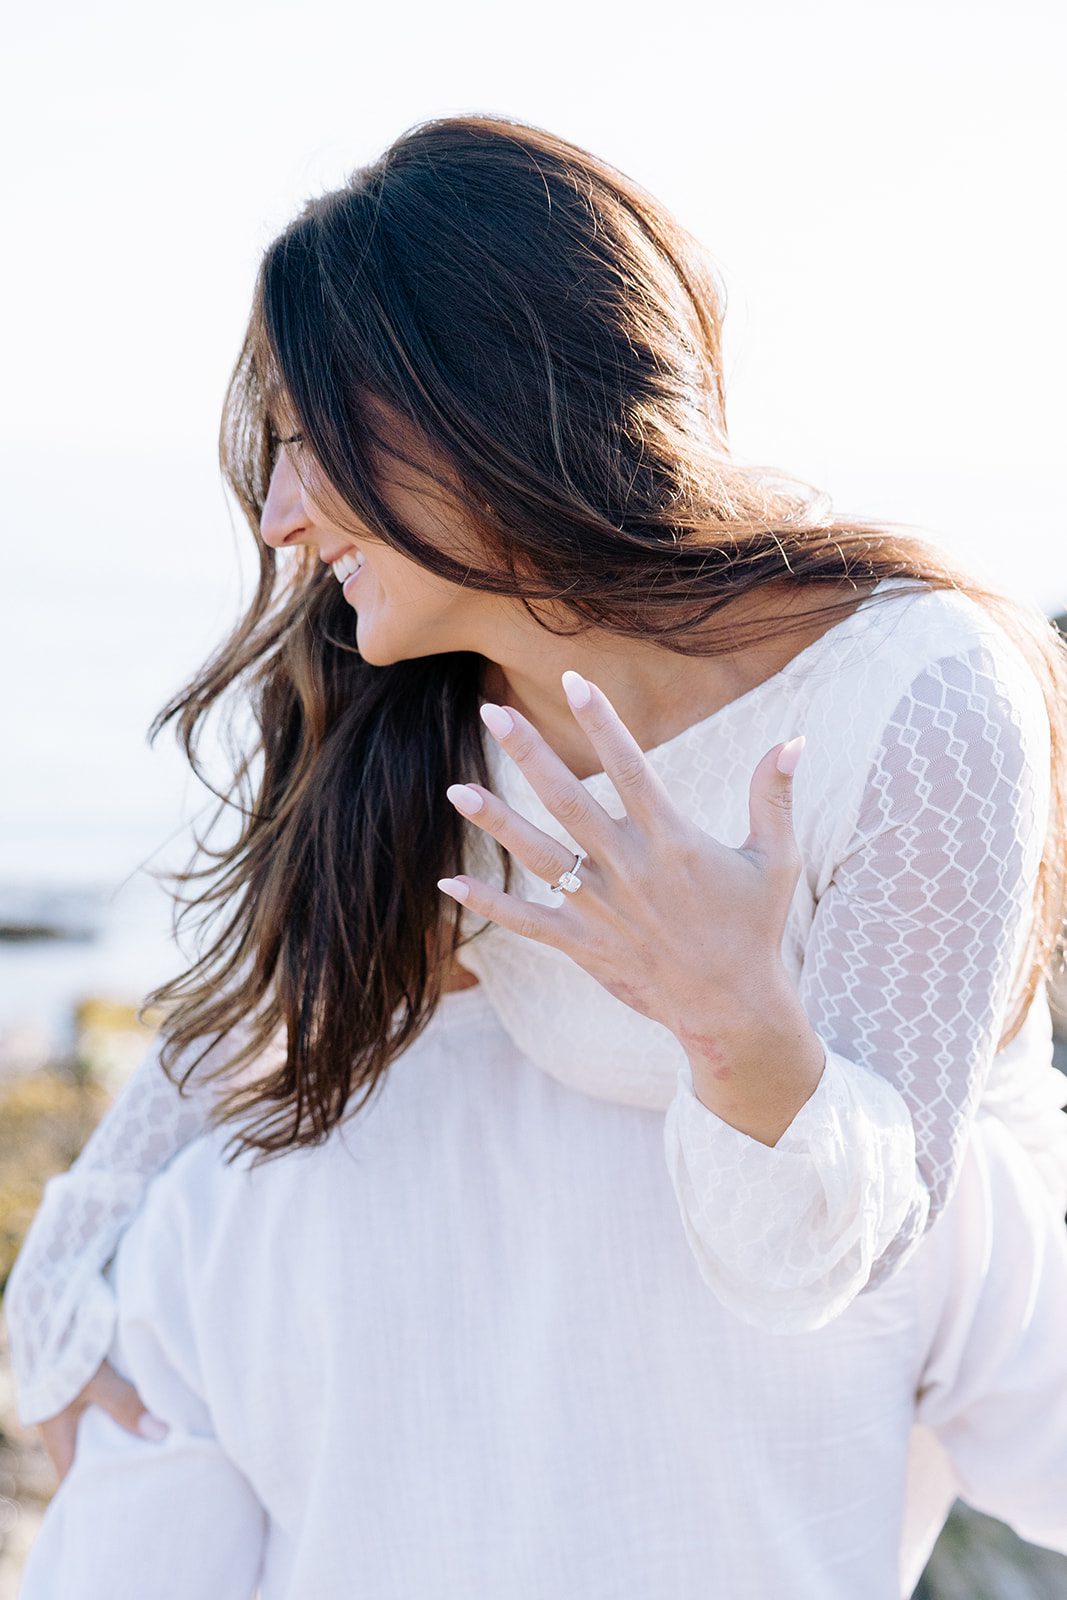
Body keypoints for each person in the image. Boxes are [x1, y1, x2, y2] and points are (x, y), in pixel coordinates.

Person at [8, 111, 1067, 1595]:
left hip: (894, 1330)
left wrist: (735, 1022)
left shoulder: (915, 691)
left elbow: (836, 1262)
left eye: (310, 445)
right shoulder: (421, 711)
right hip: (590, 1311)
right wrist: (67, 1279)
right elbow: (255, 1028)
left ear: (480, 409)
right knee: (222, 1246)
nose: (280, 518)